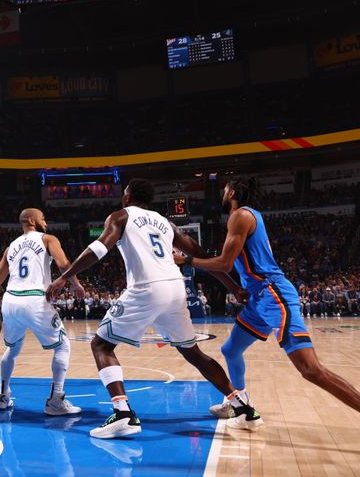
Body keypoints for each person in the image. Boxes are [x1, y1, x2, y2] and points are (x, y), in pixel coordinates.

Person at [47, 179, 250, 439]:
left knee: (101, 345)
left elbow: (98, 249)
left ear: (128, 196)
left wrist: (65, 276)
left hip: (147, 288)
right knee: (193, 352)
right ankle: (241, 406)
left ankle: (123, 414)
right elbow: (199, 252)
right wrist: (232, 286)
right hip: (176, 288)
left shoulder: (121, 216)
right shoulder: (166, 222)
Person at [178, 177, 360, 428]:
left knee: (311, 370)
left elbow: (224, 264)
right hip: (257, 298)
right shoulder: (245, 216)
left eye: (225, 189)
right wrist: (240, 288)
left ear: (232, 192)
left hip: (273, 294)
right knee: (230, 350)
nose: (222, 193)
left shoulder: (240, 215)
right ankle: (240, 403)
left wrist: (187, 261)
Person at [0, 208, 85, 416]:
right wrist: (75, 284)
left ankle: (2, 397)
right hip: (34, 299)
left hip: (10, 300)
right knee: (63, 346)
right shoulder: (48, 239)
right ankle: (56, 400)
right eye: (42, 218)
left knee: (12, 349)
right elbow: (63, 264)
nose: (45, 222)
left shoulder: (11, 247)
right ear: (32, 220)